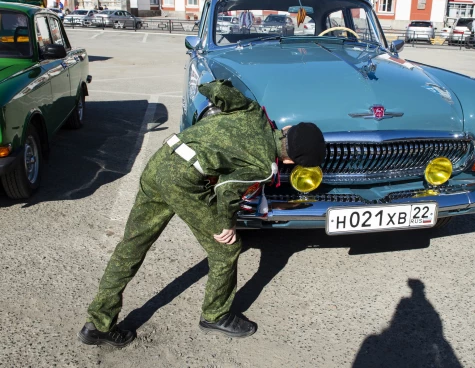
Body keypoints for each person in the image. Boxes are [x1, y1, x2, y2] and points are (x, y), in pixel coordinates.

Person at [77, 79, 326, 348]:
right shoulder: (264, 165)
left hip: (162, 160)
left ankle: (98, 323)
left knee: (132, 246)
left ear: (288, 130)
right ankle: (215, 315)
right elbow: (228, 190)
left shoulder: (253, 111)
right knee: (226, 250)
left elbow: (216, 90)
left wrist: (215, 85)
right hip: (184, 182)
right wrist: (226, 225)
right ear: (290, 161)